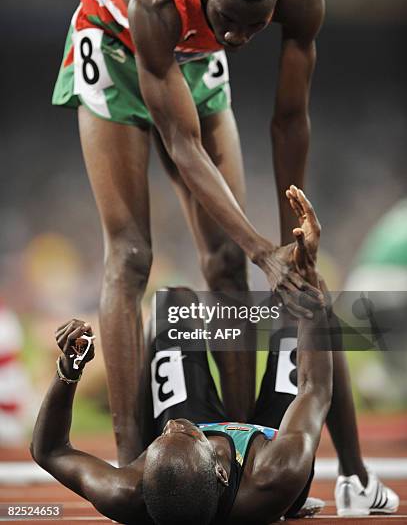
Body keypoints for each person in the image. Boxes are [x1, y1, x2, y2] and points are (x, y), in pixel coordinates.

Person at [52, 0, 324, 464]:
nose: (239, 36)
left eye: (254, 24)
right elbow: (182, 144)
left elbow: (290, 119)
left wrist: (294, 232)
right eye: (228, 19)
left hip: (193, 54)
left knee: (225, 262)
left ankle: (243, 447)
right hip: (115, 42)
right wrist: (261, 249)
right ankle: (131, 461)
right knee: (131, 256)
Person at [31, 187, 399, 522]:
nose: (173, 426)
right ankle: (357, 478)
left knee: (174, 302)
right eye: (184, 435)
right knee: (302, 309)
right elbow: (314, 389)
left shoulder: (130, 491)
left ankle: (154, 445)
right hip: (270, 437)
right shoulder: (277, 473)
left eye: (160, 439)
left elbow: (50, 450)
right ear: (221, 473)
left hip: (185, 460)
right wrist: (309, 275)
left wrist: (68, 371)